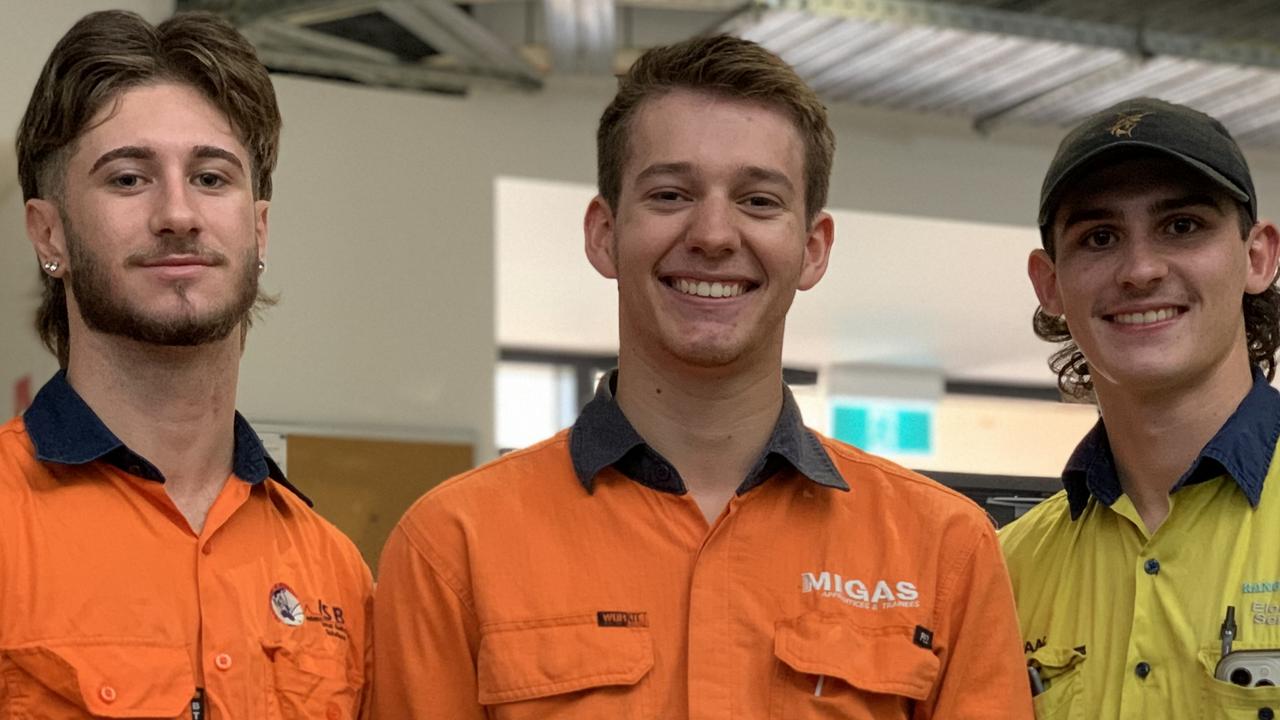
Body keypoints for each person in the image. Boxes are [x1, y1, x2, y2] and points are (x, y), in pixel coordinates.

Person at [373, 33, 1031, 719]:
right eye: (670, 193)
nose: (714, 234)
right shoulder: (455, 546)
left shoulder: (943, 549)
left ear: (812, 250)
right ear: (604, 234)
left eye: (759, 201)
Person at [0, 10, 372, 718]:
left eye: (209, 176)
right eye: (129, 178)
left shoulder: (336, 575)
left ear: (258, 230)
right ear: (49, 233)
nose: (178, 213)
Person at [1000, 97, 1280, 717]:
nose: (1141, 270)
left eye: (1181, 225)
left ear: (1258, 257)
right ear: (1050, 285)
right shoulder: (1003, 570)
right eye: (1100, 238)